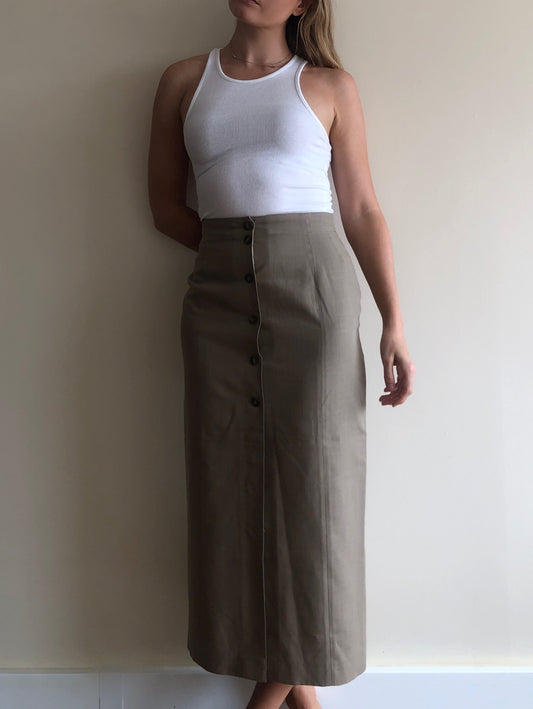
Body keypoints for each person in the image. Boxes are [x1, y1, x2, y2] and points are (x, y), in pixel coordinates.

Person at [148, 1, 415, 708]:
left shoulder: (329, 85)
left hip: (313, 294)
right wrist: (237, 255)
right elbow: (165, 207)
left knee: (316, 487)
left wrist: (392, 320)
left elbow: (361, 209)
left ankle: (265, 698)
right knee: (226, 482)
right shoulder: (183, 80)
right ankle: (301, 697)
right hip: (217, 299)